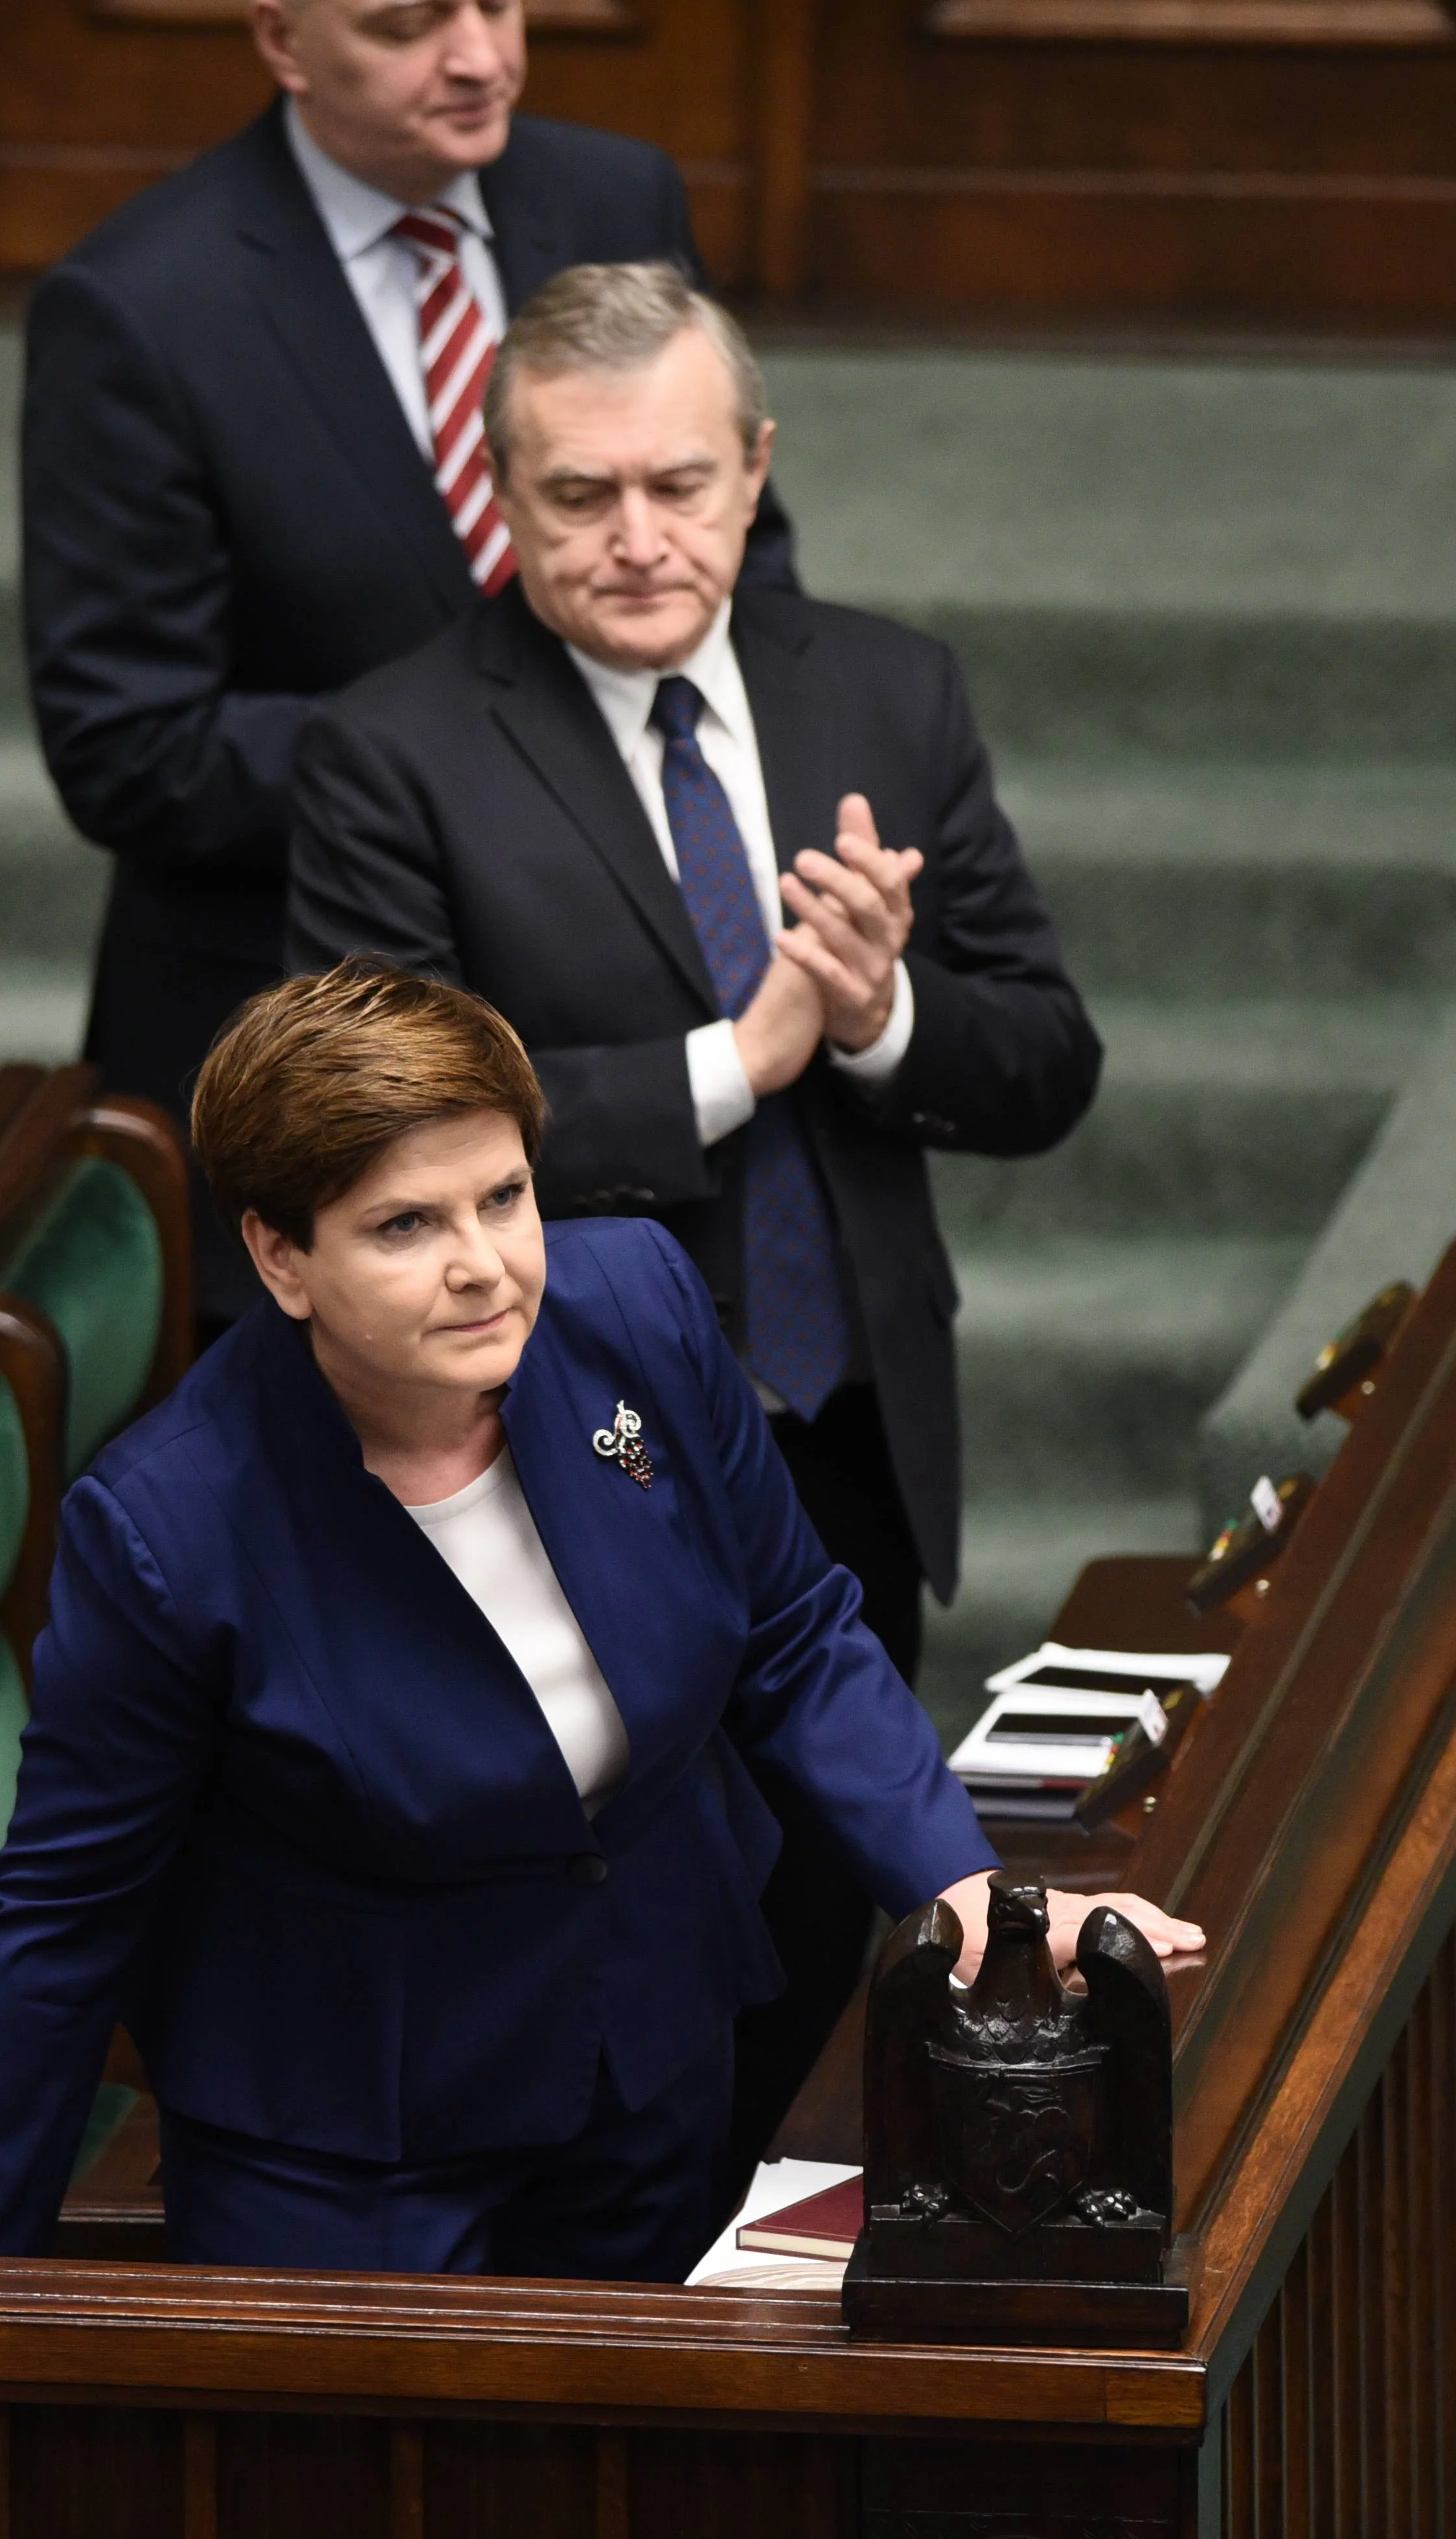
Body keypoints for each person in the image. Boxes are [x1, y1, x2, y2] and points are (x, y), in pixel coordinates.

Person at [0, 966, 1186, 2277]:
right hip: (350, 2165)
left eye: (503, 1198)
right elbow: (58, 1929)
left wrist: (958, 1885)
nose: (483, 1269)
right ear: (281, 1257)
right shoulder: (167, 1527)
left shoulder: (633, 1307)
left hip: (645, 2064)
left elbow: (792, 1630)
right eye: (403, 1226)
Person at [283, 261, 1102, 2196]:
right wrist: (738, 1059)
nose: (639, 540)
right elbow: (371, 1123)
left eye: (679, 484)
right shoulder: (390, 750)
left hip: (847, 1434)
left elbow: (1047, 1061)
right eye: (580, 498)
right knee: (632, 1984)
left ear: (755, 471)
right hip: (556, 1458)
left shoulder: (890, 690)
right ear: (503, 497)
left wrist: (885, 1014)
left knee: (838, 1943)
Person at [22, 0, 795, 1334]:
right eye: (405, 23)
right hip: (315, 1074)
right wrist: (485, 763)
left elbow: (748, 562)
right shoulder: (140, 304)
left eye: (499, 3)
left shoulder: (616, 195)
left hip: (634, 1045)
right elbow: (128, 747)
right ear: (281, 39)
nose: (480, 56)